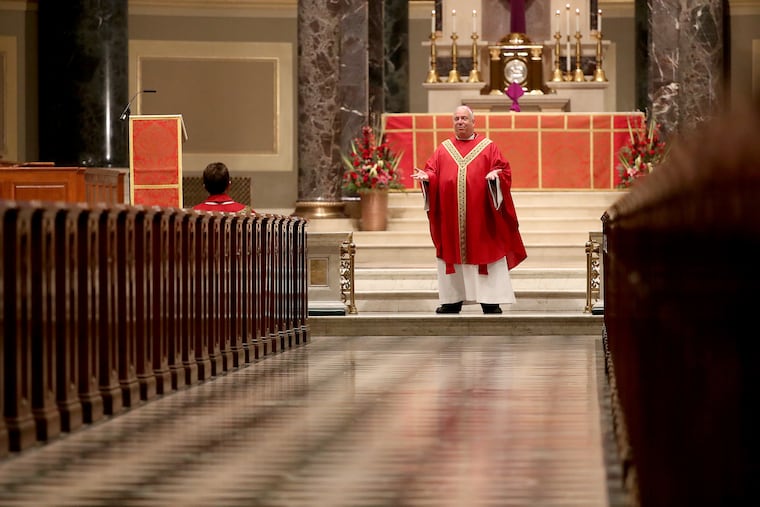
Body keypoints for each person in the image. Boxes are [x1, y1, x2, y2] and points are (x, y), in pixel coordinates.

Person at [412, 105, 527, 314]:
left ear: (474, 122)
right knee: (451, 253)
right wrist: (428, 179)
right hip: (451, 217)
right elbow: (433, 171)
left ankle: (491, 300)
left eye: (464, 118)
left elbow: (502, 170)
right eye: (456, 119)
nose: (460, 122)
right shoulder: (443, 149)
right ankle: (452, 299)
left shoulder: (488, 147)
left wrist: (496, 178)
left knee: (487, 251)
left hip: (482, 217)